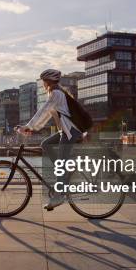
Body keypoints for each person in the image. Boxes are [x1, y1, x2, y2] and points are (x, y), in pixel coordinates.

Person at [17, 69, 84, 210]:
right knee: (45, 144)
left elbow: (43, 110)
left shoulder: (56, 93)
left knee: (60, 163)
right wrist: (32, 128)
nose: (42, 83)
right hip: (65, 130)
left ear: (47, 81)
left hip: (70, 131)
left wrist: (28, 126)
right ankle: (66, 168)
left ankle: (59, 196)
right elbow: (47, 114)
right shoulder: (56, 94)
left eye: (43, 81)